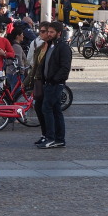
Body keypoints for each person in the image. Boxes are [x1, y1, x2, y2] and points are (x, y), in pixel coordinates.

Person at [37, 20, 72, 148]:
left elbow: (65, 67)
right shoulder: (51, 45)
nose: (49, 34)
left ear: (59, 33)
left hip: (55, 84)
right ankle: (59, 139)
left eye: (52, 32)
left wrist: (54, 79)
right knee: (56, 111)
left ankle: (51, 138)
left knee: (47, 108)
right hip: (49, 83)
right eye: (48, 32)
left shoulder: (63, 47)